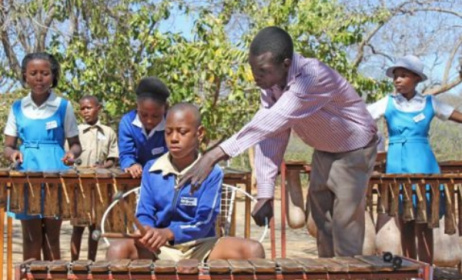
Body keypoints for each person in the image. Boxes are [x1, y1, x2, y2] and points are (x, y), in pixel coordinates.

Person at [179, 26, 378, 258]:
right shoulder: (270, 86)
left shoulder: (311, 77)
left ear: (285, 64)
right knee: (321, 224)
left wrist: (214, 155)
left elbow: (274, 119)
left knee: (345, 225)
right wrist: (265, 192)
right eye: (253, 69)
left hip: (355, 150)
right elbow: (271, 135)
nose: (256, 77)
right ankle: (330, 273)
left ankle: (349, 273)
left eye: (262, 70)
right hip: (324, 151)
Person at [106, 103, 265, 261]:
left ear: (200, 133)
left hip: (201, 246)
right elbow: (144, 212)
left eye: (182, 132)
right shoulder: (151, 169)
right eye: (168, 132)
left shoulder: (212, 172)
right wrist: (145, 229)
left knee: (252, 249)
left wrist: (169, 232)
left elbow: (203, 222)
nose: (174, 138)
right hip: (160, 247)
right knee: (117, 249)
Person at [367, 55, 462, 263]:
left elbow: (456, 115)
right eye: (395, 77)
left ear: (417, 79)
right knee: (405, 221)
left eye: (403, 76)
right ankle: (412, 270)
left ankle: (426, 270)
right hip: (397, 165)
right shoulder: (388, 102)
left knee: (426, 221)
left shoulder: (430, 102)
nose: (397, 80)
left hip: (424, 164)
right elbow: (361, 116)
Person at [3, 52, 82, 261]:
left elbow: (75, 145)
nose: (39, 78)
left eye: (45, 73)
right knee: (31, 237)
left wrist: (70, 155)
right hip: (27, 173)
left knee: (52, 237)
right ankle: (29, 275)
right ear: (25, 76)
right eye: (33, 73)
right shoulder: (18, 107)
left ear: (53, 76)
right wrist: (14, 154)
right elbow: (8, 146)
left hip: (55, 172)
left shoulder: (63, 106)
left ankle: (53, 275)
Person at [70, 95, 118, 261]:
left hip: (99, 188)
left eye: (89, 108)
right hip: (80, 186)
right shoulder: (75, 133)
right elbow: (68, 156)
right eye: (82, 108)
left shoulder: (108, 132)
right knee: (77, 227)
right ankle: (74, 262)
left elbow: (113, 158)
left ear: (98, 108)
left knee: (94, 228)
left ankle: (91, 262)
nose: (85, 111)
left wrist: (103, 167)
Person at [118, 76, 169, 178]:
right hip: (136, 178)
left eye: (155, 116)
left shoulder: (171, 124)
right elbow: (126, 153)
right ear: (137, 106)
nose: (149, 120)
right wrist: (131, 164)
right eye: (144, 115)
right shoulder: (127, 123)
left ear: (166, 108)